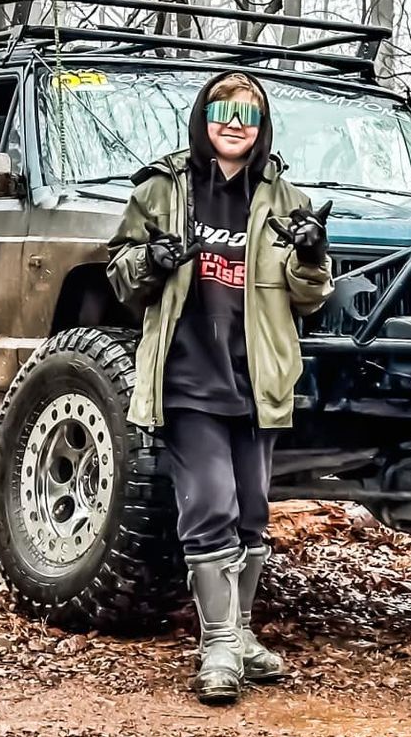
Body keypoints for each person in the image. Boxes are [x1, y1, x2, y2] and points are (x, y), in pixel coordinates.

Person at [106, 70, 333, 704]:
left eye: (248, 115)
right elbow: (120, 278)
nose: (234, 125)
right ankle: (218, 647)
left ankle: (239, 632)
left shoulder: (283, 196)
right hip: (187, 376)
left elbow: (308, 297)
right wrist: (150, 261)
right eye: (222, 111)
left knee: (254, 514)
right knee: (211, 506)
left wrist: (314, 253)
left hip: (258, 378)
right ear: (203, 116)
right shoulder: (162, 188)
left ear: (262, 128)